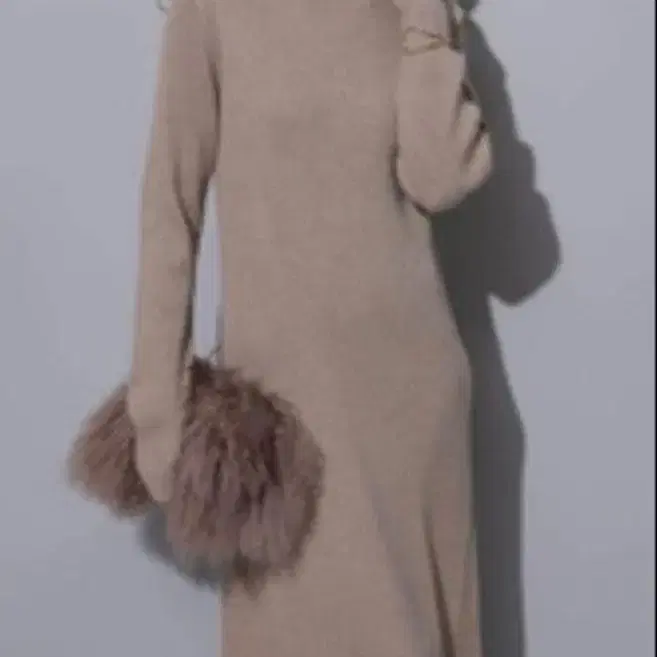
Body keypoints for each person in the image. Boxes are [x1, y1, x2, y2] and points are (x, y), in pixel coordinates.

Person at [127, 0, 492, 654]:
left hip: (412, 415)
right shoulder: (211, 11)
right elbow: (169, 211)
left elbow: (439, 179)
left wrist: (426, 21)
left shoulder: (413, 13)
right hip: (287, 428)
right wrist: (158, 404)